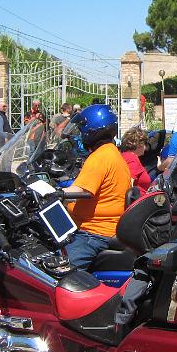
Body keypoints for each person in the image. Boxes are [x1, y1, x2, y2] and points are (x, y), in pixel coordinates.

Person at [62, 104, 132, 269]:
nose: (79, 135)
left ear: (92, 130)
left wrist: (51, 192)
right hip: (106, 229)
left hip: (93, 233)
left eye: (81, 130)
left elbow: (80, 191)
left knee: (60, 273)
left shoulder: (100, 157)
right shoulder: (112, 152)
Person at [119, 127, 152, 191]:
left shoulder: (123, 156)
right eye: (145, 144)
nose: (145, 148)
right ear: (140, 144)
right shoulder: (132, 159)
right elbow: (128, 183)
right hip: (137, 199)